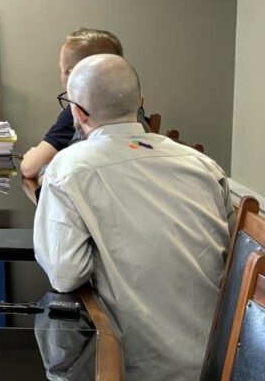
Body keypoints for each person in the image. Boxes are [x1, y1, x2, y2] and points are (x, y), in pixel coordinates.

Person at [33, 54, 233, 381]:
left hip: (133, 368)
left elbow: (65, 275)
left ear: (78, 112)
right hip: (221, 363)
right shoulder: (204, 166)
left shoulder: (67, 170)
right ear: (139, 101)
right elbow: (234, 257)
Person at [21, 28, 127, 179]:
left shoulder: (78, 110)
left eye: (64, 70)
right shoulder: (132, 106)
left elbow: (31, 167)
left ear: (74, 74)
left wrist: (40, 163)